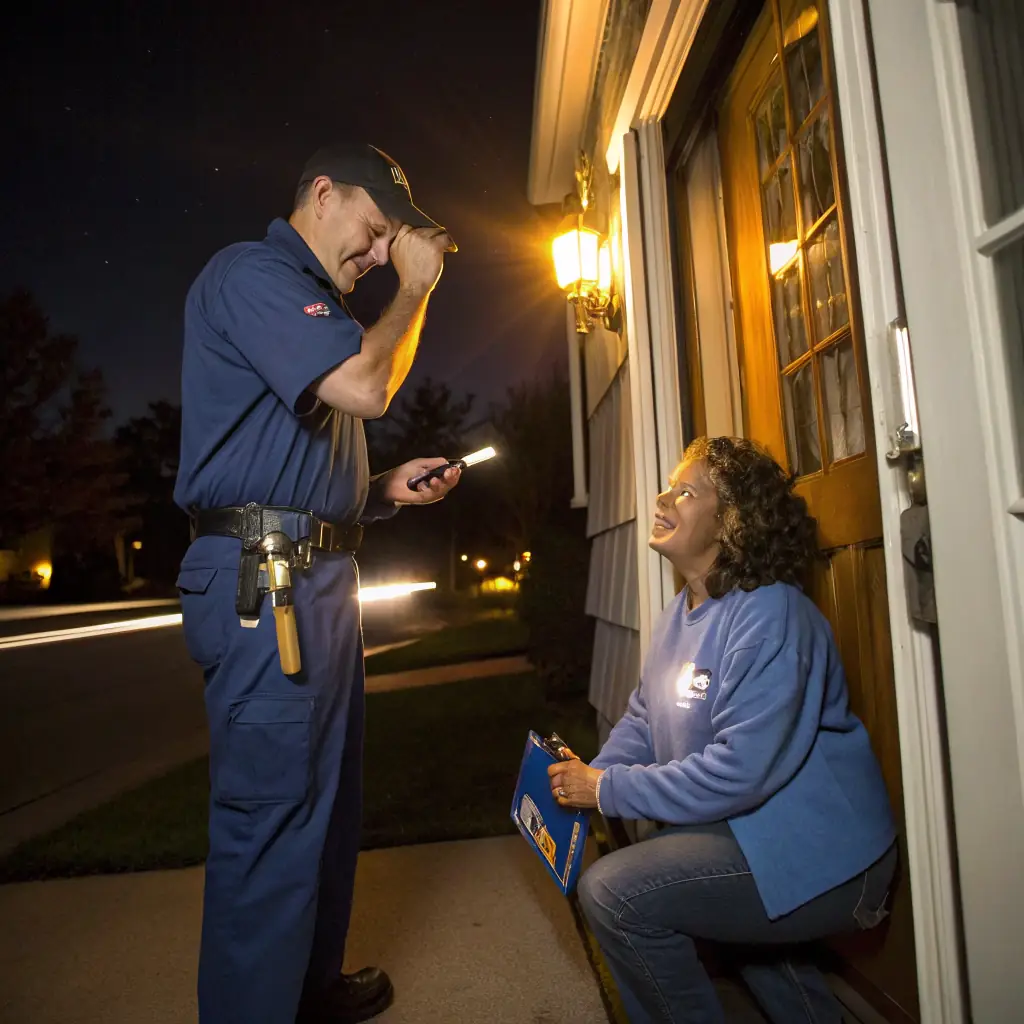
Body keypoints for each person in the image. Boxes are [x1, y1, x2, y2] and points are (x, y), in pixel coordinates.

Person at [173, 143, 461, 1024]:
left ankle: (309, 990)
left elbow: (297, 467)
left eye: (389, 246)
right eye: (375, 233)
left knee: (326, 807)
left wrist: (377, 493)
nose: (378, 256)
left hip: (317, 577)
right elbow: (368, 388)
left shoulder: (322, 315)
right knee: (271, 819)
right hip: (267, 589)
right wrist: (415, 287)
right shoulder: (255, 275)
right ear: (323, 195)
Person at [548, 436, 897, 1024]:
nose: (663, 499)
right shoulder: (679, 614)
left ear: (733, 522)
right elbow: (642, 717)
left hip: (829, 860)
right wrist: (587, 778)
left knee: (618, 892)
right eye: (668, 485)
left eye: (686, 492)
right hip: (753, 840)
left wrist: (605, 790)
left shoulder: (772, 615)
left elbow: (740, 771)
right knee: (684, 883)